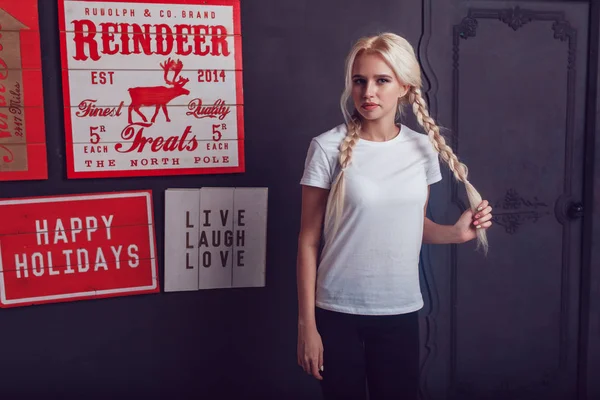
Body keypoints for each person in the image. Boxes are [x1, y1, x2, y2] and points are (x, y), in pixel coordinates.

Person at [295, 32, 493, 400]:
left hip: (399, 311)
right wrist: (307, 325)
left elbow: (412, 226)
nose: (368, 92)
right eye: (360, 80)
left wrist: (456, 233)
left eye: (381, 80)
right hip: (336, 311)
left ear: (404, 86)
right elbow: (308, 241)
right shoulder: (326, 147)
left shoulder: (422, 148)